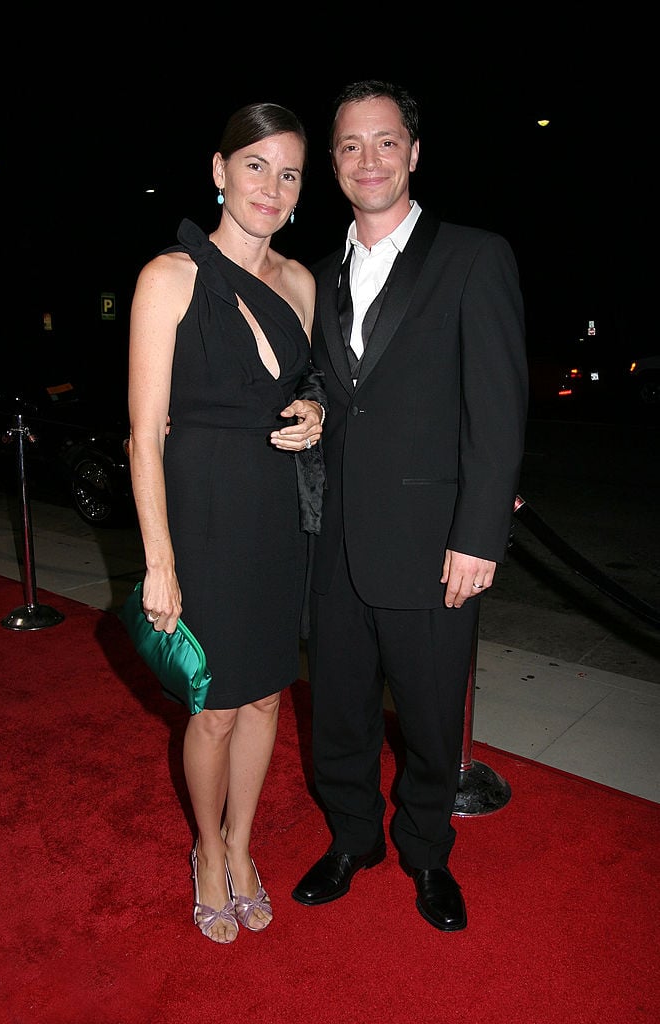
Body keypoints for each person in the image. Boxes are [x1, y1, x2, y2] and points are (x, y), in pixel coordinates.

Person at [291, 80, 529, 931]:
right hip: (333, 541)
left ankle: (426, 853)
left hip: (435, 544)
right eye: (350, 145)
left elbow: (497, 408)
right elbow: (324, 386)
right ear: (332, 163)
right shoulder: (314, 277)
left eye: (385, 142)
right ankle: (353, 837)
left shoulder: (473, 256)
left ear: (414, 153)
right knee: (339, 714)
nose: (368, 160)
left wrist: (478, 535)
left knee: (429, 721)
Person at [127, 102, 326, 945]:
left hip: (279, 515)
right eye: (256, 166)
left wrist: (314, 411)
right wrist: (159, 562)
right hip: (201, 518)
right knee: (212, 705)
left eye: (288, 173)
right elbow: (143, 433)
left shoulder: (303, 283)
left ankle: (244, 846)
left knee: (268, 698)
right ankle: (207, 850)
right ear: (218, 171)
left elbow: (305, 390)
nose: (271, 187)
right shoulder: (168, 276)